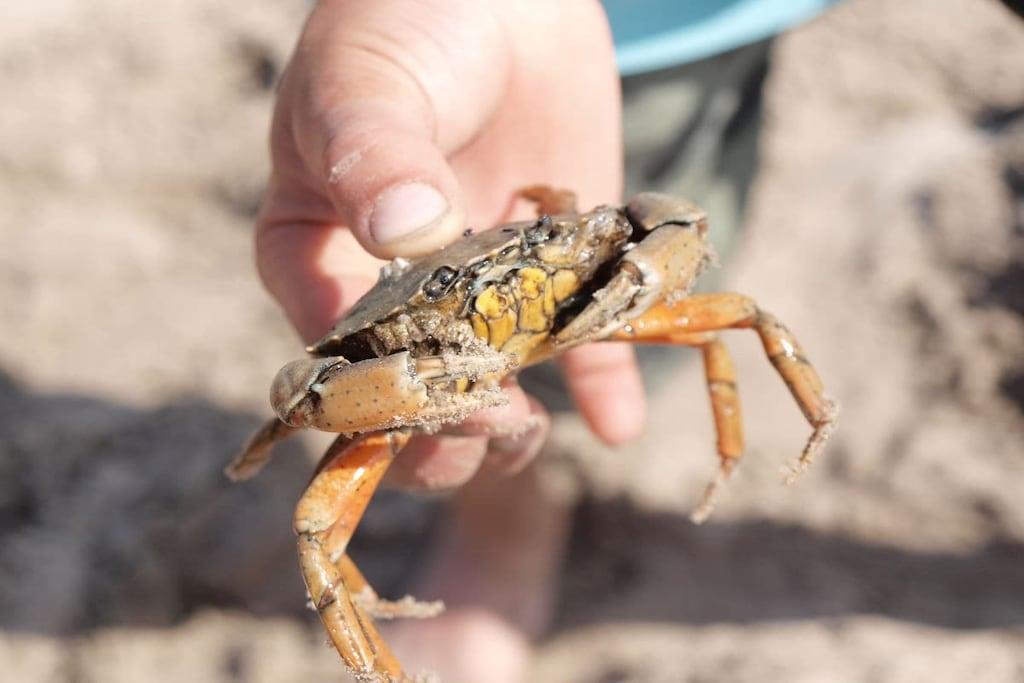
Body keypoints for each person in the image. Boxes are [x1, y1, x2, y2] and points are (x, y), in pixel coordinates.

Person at [256, 1, 836, 680]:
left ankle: (778, 438)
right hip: (587, 46)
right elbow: (300, 390)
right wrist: (402, 384)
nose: (511, 289)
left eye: (548, 243)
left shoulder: (578, 235)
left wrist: (616, 264)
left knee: (736, 316)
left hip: (718, 22)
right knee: (321, 533)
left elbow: (675, 221)